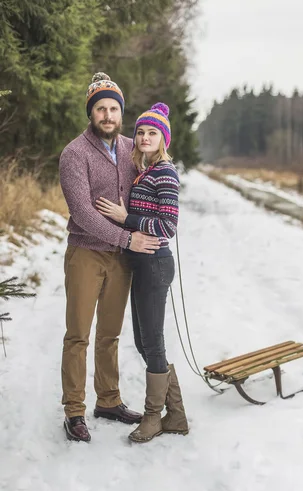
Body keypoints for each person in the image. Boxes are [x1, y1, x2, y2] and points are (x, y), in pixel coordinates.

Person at [59, 72, 161, 443]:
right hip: (86, 254)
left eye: (113, 108)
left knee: (110, 334)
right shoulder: (74, 154)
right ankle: (74, 410)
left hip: (121, 258)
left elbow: (160, 166)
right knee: (78, 336)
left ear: (121, 113)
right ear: (91, 113)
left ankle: (109, 400)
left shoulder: (133, 148)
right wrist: (126, 237)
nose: (107, 115)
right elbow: (83, 213)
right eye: (100, 108)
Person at [96, 102, 189, 443]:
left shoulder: (165, 172)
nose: (145, 137)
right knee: (144, 341)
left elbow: (168, 226)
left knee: (151, 341)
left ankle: (154, 417)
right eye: (140, 132)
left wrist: (127, 219)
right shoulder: (144, 170)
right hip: (142, 264)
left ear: (163, 138)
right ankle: (176, 414)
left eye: (153, 132)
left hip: (155, 263)